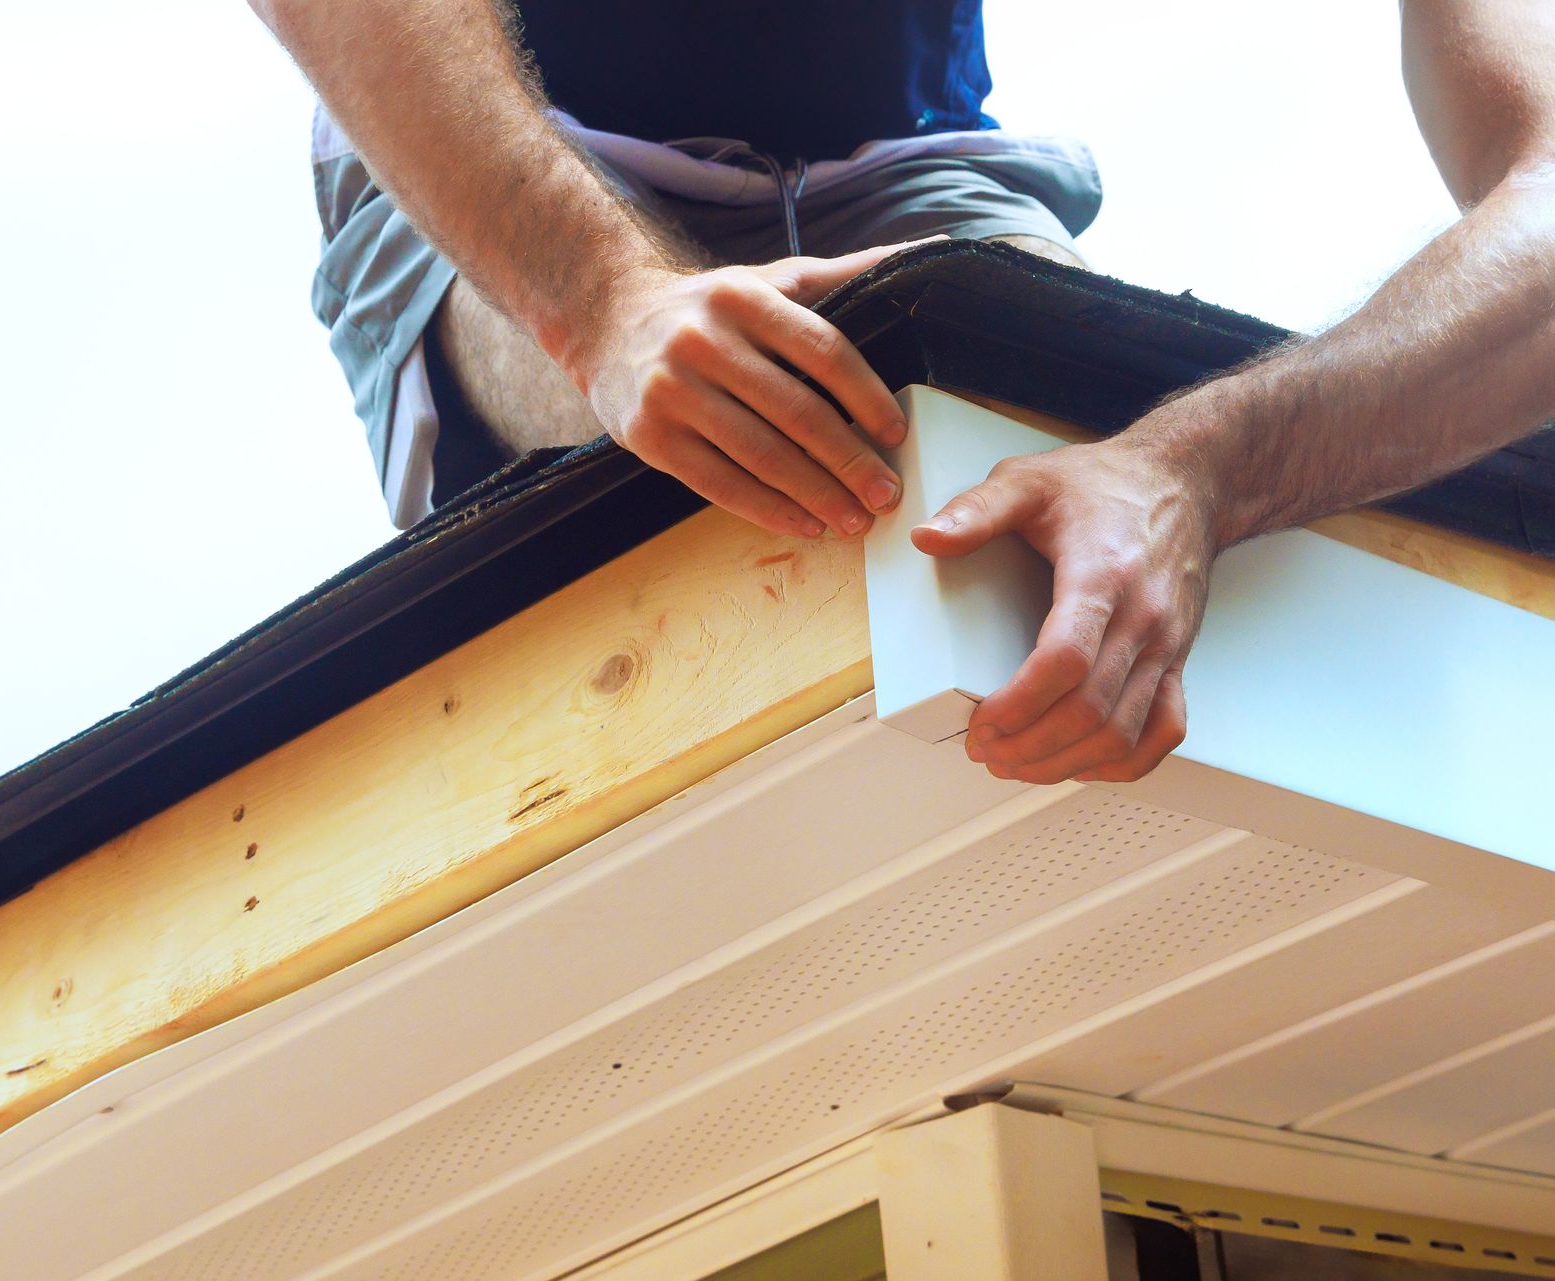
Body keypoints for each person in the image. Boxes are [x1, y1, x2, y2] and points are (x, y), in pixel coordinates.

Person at [254, 0, 1555, 786]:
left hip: (911, 172)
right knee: (829, 416)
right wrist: (603, 308)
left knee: (1043, 522)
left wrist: (1199, 467)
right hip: (524, 150)